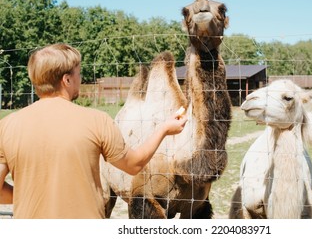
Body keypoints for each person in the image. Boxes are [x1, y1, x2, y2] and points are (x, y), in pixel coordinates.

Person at [0, 43, 187, 219]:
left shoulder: (6, 126)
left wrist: (27, 196)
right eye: (78, 74)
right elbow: (134, 165)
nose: (80, 79)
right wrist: (164, 129)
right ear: (67, 80)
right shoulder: (97, 121)